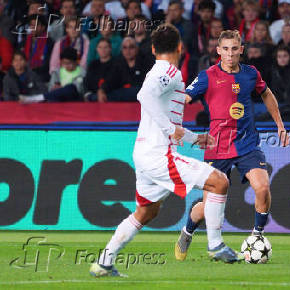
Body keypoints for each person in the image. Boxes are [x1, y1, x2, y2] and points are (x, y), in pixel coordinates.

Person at [90, 24, 241, 277]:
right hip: (158, 153)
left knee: (147, 211)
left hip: (145, 152)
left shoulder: (161, 71)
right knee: (219, 182)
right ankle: (215, 245)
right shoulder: (169, 71)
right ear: (180, 47)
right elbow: (144, 97)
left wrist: (196, 139)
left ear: (152, 48)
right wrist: (170, 128)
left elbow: (163, 115)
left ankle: (104, 262)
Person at [175, 30, 289, 261]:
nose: (230, 54)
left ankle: (257, 236)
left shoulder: (250, 74)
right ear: (218, 51)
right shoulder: (207, 76)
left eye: (234, 49)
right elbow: (184, 98)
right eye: (225, 49)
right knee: (207, 208)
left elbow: (266, 94)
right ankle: (187, 232)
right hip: (217, 147)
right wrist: (171, 123)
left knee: (263, 187)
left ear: (241, 50)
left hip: (247, 142)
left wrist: (280, 124)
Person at [19, 47, 86, 103]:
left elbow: (79, 90)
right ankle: (36, 99)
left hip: (74, 99)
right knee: (54, 96)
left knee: (71, 87)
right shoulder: (57, 73)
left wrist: (62, 88)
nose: (66, 65)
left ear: (76, 62)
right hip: (58, 99)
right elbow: (50, 89)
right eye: (63, 63)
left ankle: (36, 98)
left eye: (69, 63)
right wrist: (54, 88)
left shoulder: (82, 73)